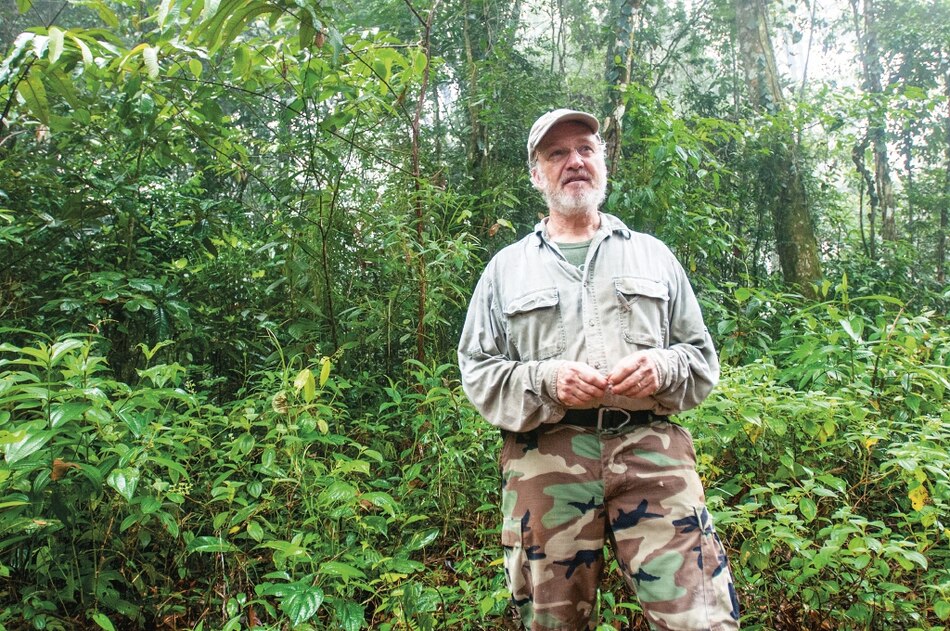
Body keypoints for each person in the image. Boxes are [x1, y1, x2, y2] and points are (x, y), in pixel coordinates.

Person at [457, 109, 740, 631]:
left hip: (651, 448)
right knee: (553, 622)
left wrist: (662, 366)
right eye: (557, 153)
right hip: (547, 458)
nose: (575, 162)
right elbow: (476, 370)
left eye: (586, 149)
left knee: (701, 619)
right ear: (536, 174)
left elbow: (700, 356)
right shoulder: (505, 269)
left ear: (603, 163)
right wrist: (546, 379)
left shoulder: (653, 256)